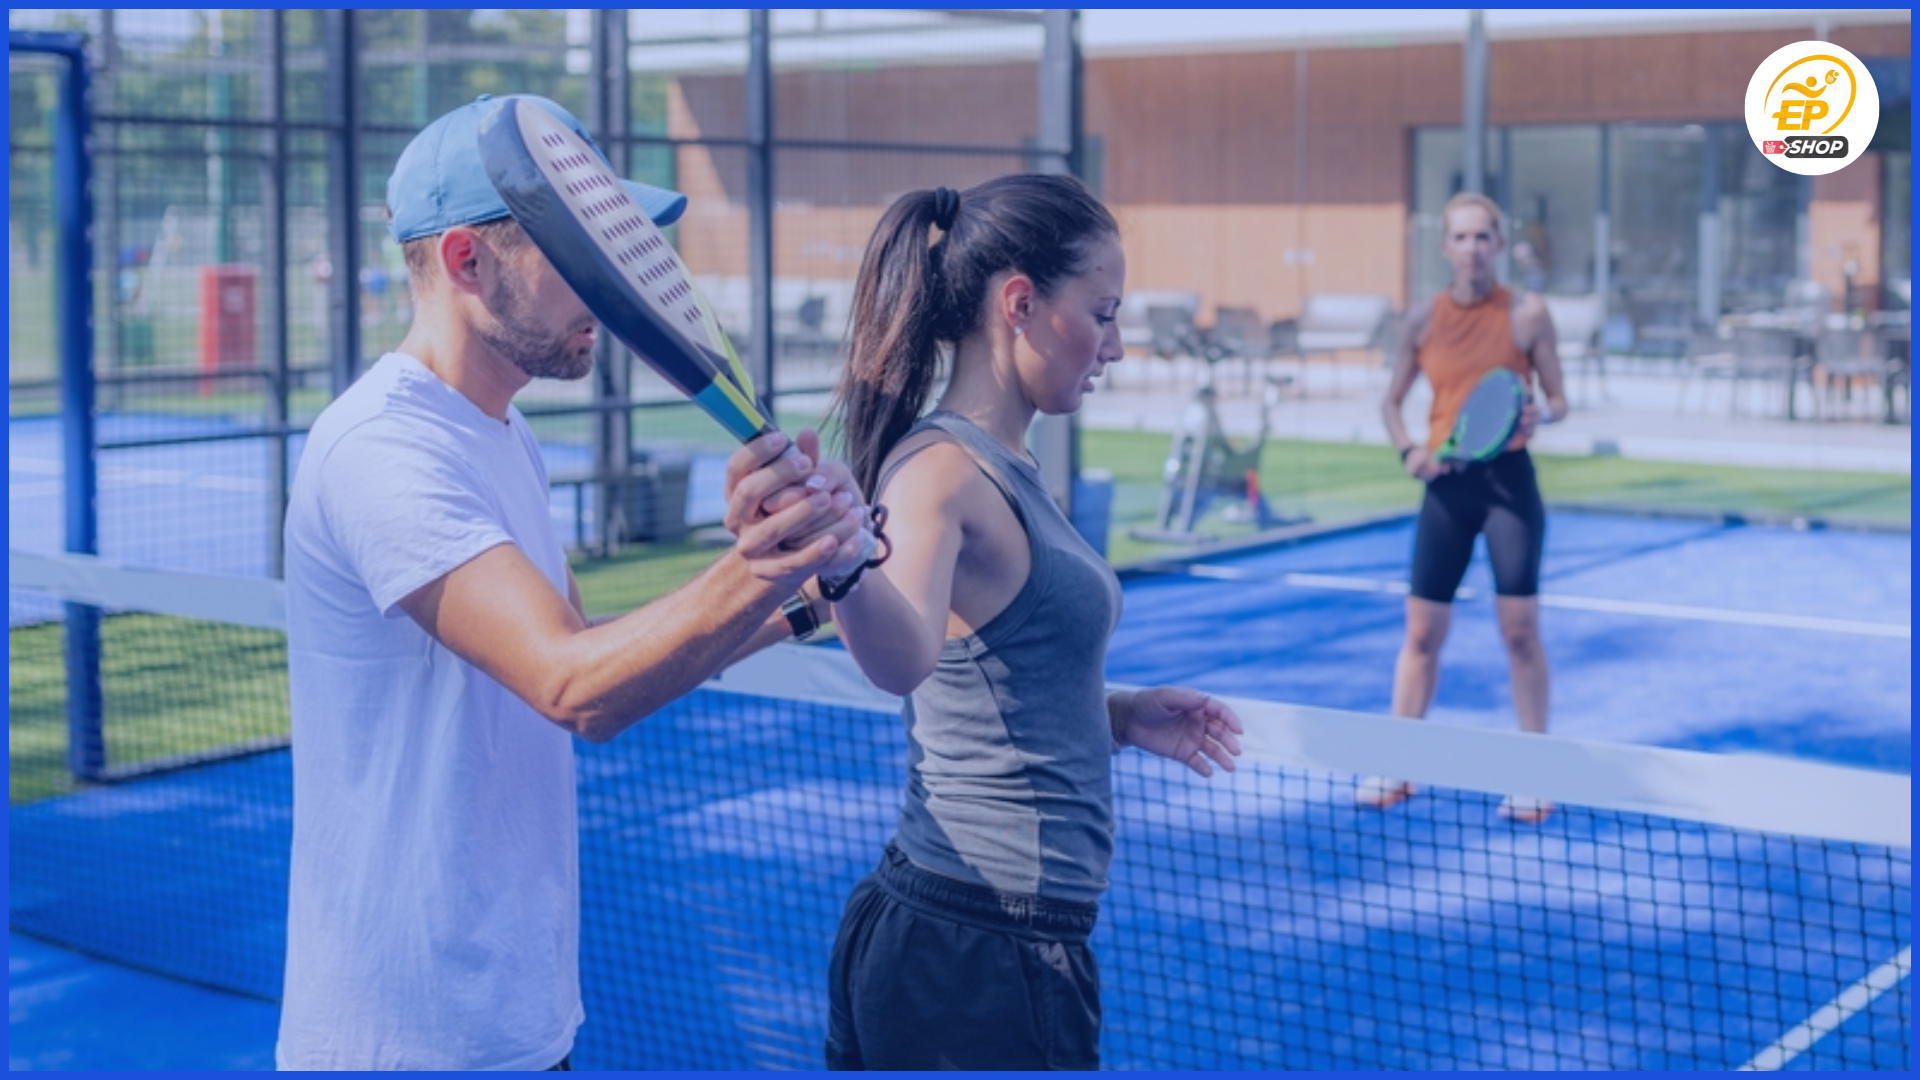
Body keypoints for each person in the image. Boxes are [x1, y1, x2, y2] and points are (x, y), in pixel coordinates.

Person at [275, 95, 870, 1071]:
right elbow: (572, 687)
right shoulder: (385, 445)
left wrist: (805, 599)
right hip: (408, 1042)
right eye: (577, 255)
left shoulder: (501, 434)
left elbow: (596, 648)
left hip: (517, 1017)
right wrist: (771, 558)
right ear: (465, 260)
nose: (613, 287)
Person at [790, 175, 1244, 1071]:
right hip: (974, 954)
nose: (1114, 345)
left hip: (993, 943)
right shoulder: (941, 476)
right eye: (1103, 312)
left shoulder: (1004, 463)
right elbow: (905, 657)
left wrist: (1117, 715)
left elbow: (988, 663)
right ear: (1022, 303)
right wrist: (842, 563)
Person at [1375, 191, 1569, 823]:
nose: (1472, 248)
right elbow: (1391, 402)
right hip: (1446, 490)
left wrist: (1544, 411)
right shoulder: (1422, 320)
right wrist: (1410, 451)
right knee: (1423, 633)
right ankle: (1398, 763)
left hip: (1510, 486)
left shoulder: (1528, 314)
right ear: (1445, 247)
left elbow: (1559, 398)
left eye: (1483, 236)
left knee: (1519, 632)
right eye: (1460, 237)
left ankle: (1537, 773)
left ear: (1498, 244)